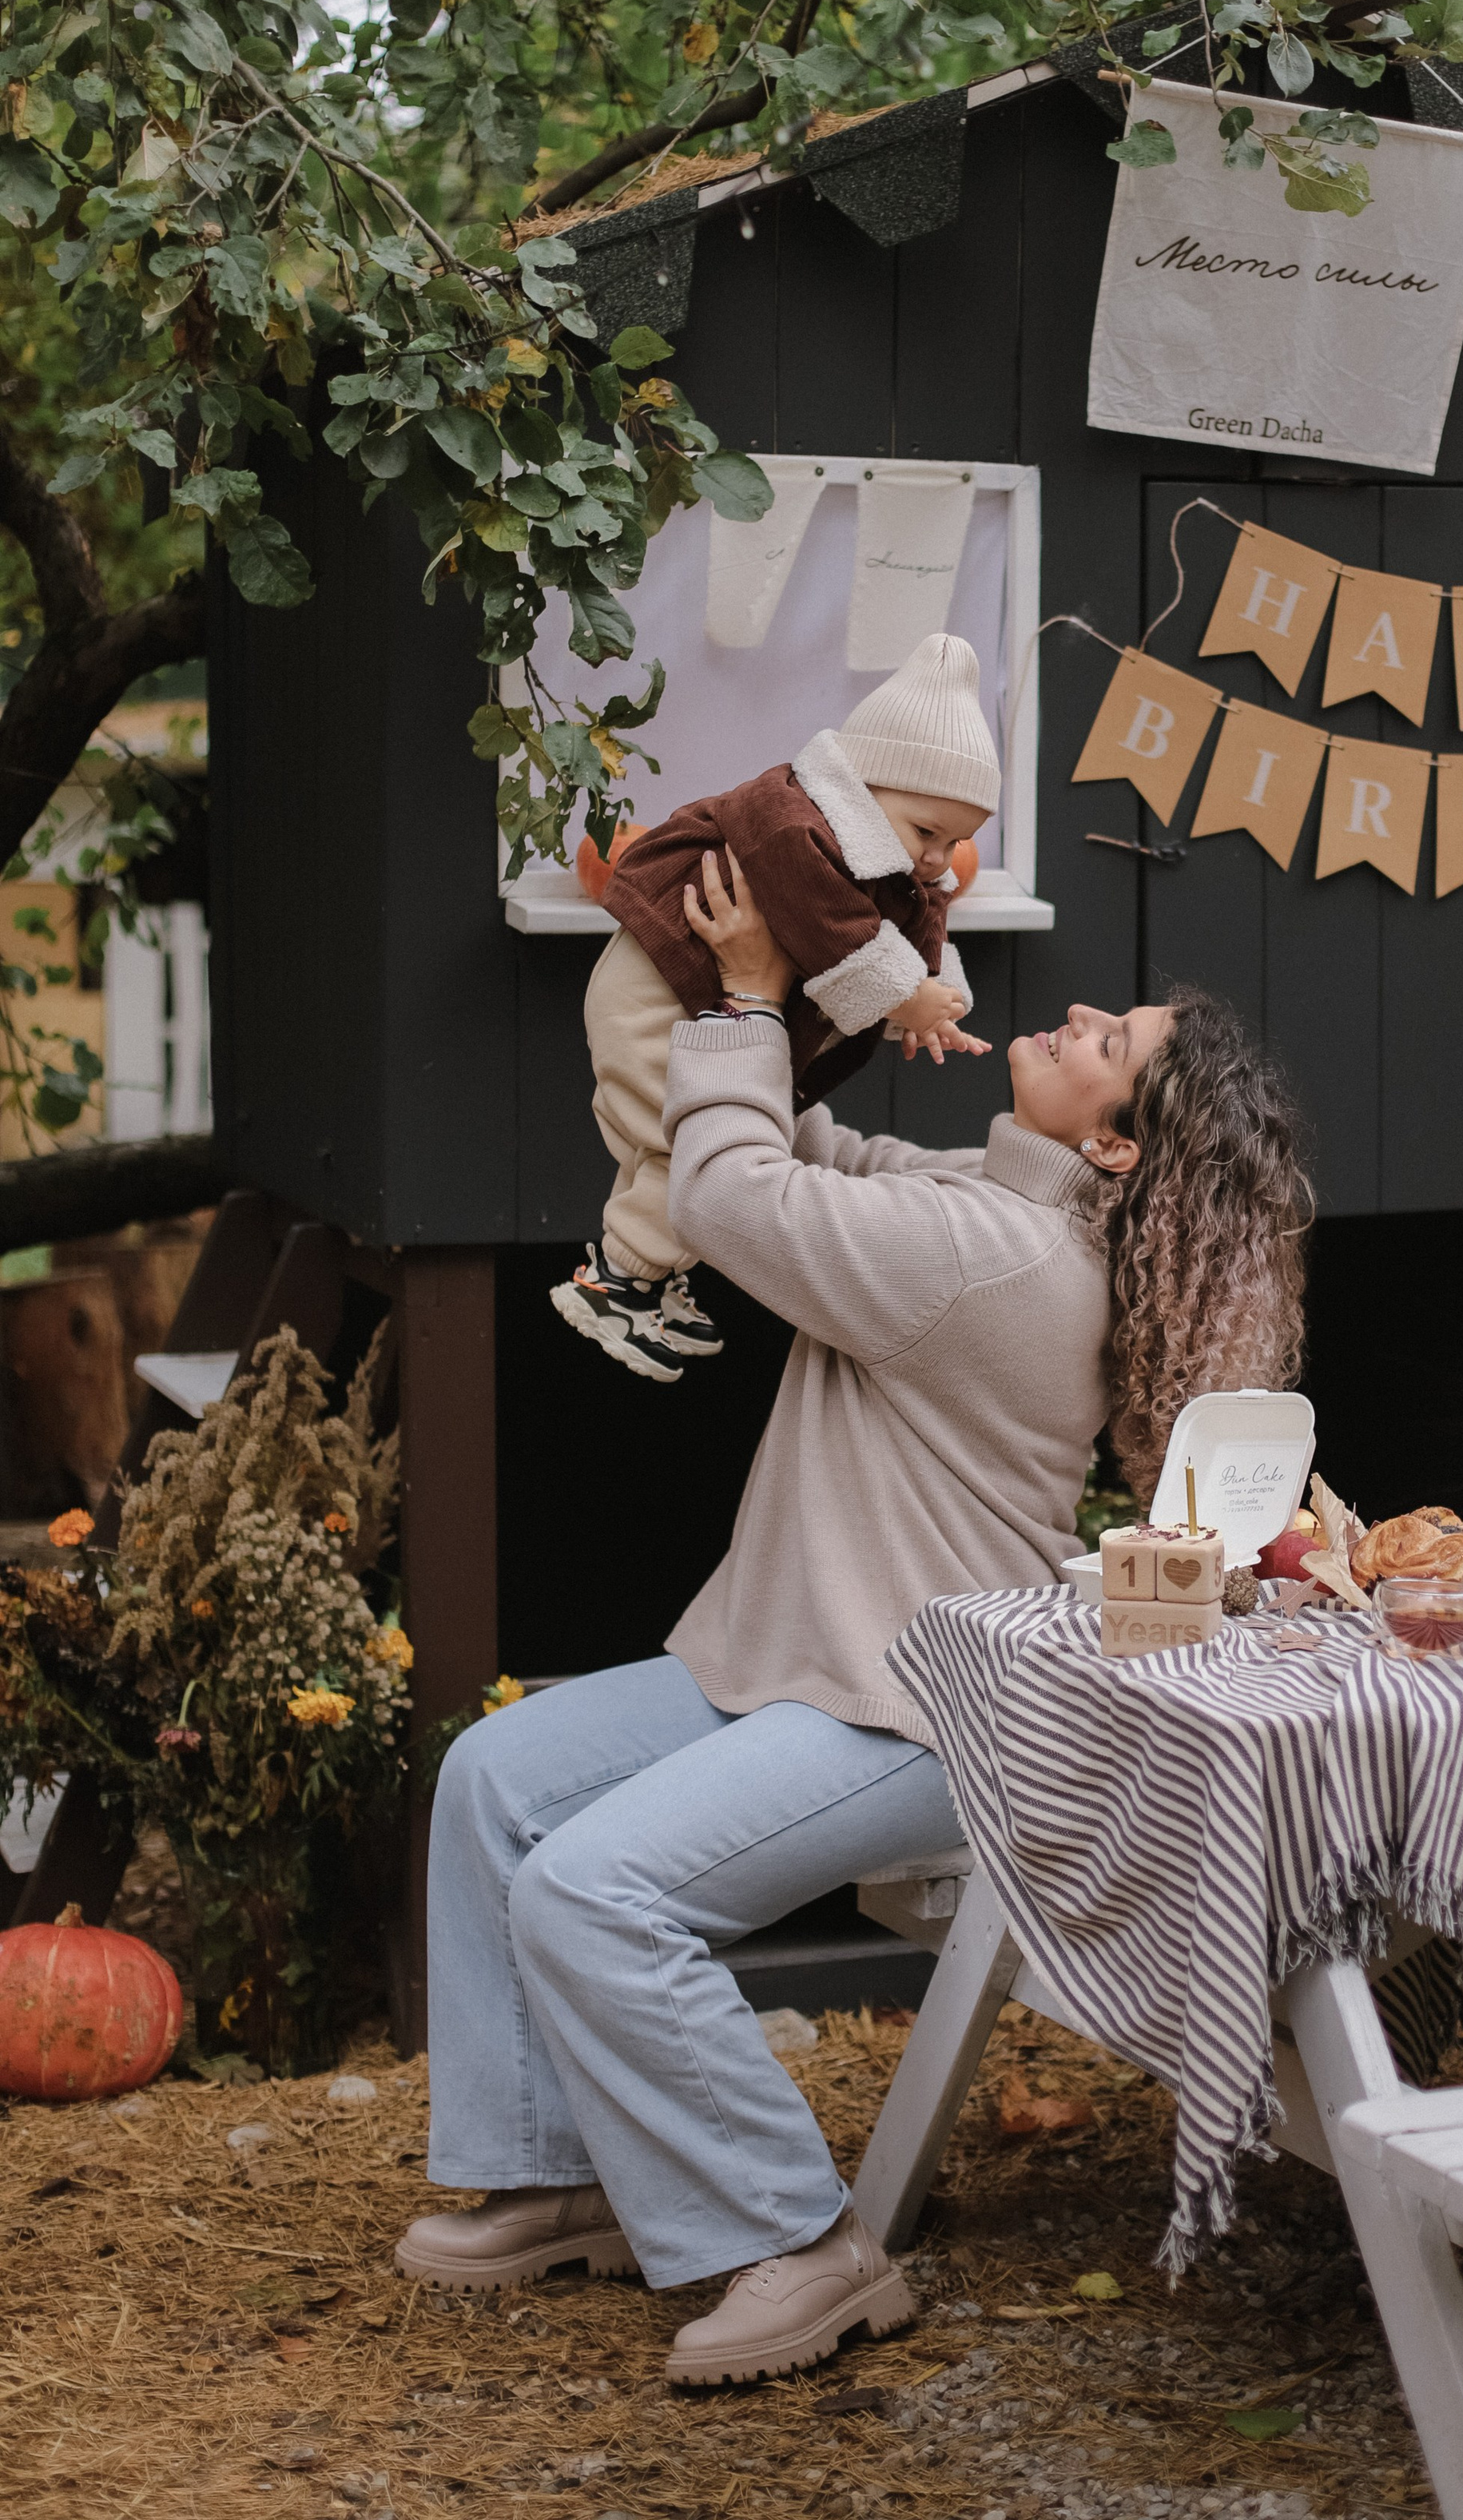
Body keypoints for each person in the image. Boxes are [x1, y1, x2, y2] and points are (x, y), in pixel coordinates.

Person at [396, 857, 1310, 2391]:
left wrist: (754, 996)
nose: (1081, 1012)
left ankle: (799, 2246)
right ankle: (568, 2176)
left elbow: (740, 1193)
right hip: (807, 1659)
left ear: (1119, 1143)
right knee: (496, 1783)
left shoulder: (1003, 1266)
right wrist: (825, 981)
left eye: (1113, 1040)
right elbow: (809, 1142)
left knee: (595, 1897)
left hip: (916, 1710)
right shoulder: (988, 1204)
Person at [551, 630, 999, 1382]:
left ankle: (646, 1281)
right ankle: (616, 1285)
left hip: (702, 1007)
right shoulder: (792, 817)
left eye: (956, 842)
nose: (937, 857)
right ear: (864, 785)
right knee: (686, 1148)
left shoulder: (894, 863)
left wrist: (927, 1001)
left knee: (698, 1137)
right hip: (657, 989)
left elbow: (917, 925)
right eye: (927, 831)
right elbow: (822, 916)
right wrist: (903, 993)